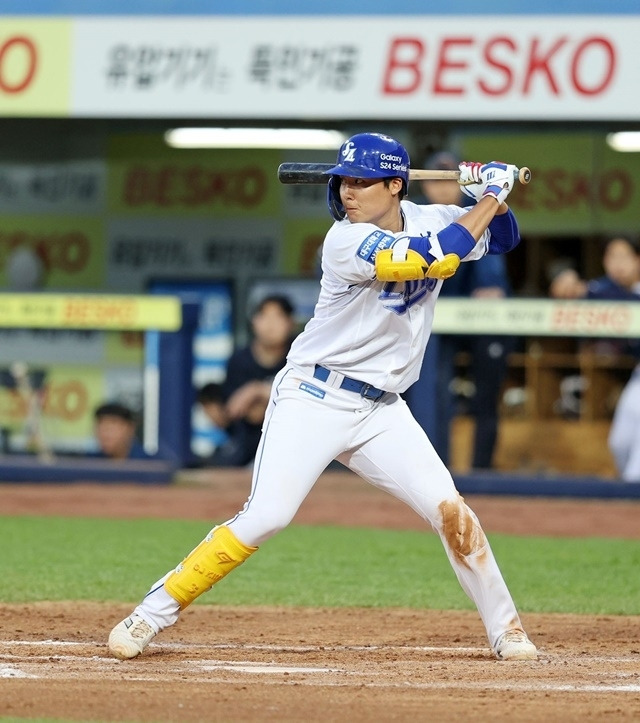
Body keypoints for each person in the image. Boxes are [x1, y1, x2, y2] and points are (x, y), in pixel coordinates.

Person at [108, 132, 537, 662]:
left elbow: (504, 238)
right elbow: (436, 261)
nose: (347, 191)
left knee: (450, 509)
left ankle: (507, 630)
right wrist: (493, 194)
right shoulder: (344, 240)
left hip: (382, 410)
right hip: (314, 395)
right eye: (344, 181)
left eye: (361, 181)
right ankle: (151, 612)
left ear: (396, 186)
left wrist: (482, 189)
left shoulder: (433, 217)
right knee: (267, 516)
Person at [412, 151, 513, 469]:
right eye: (434, 178)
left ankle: (482, 472)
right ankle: (434, 468)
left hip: (481, 322)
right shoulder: (414, 216)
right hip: (436, 321)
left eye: (449, 177)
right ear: (425, 184)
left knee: (485, 397)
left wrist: (492, 196)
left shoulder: (475, 211)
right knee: (433, 391)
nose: (441, 187)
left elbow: (493, 269)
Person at [549, 235, 640, 481]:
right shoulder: (606, 288)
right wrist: (567, 282)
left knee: (637, 465)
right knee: (620, 442)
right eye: (612, 257)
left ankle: (631, 495)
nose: (618, 264)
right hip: (637, 375)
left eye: (624, 257)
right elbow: (575, 291)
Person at [218, 294, 297, 467]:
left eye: (278, 317)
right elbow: (234, 409)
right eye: (264, 316)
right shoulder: (239, 359)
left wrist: (257, 390)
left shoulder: (300, 357)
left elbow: (302, 402)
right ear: (254, 321)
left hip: (292, 439)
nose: (270, 325)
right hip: (246, 438)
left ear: (290, 322)